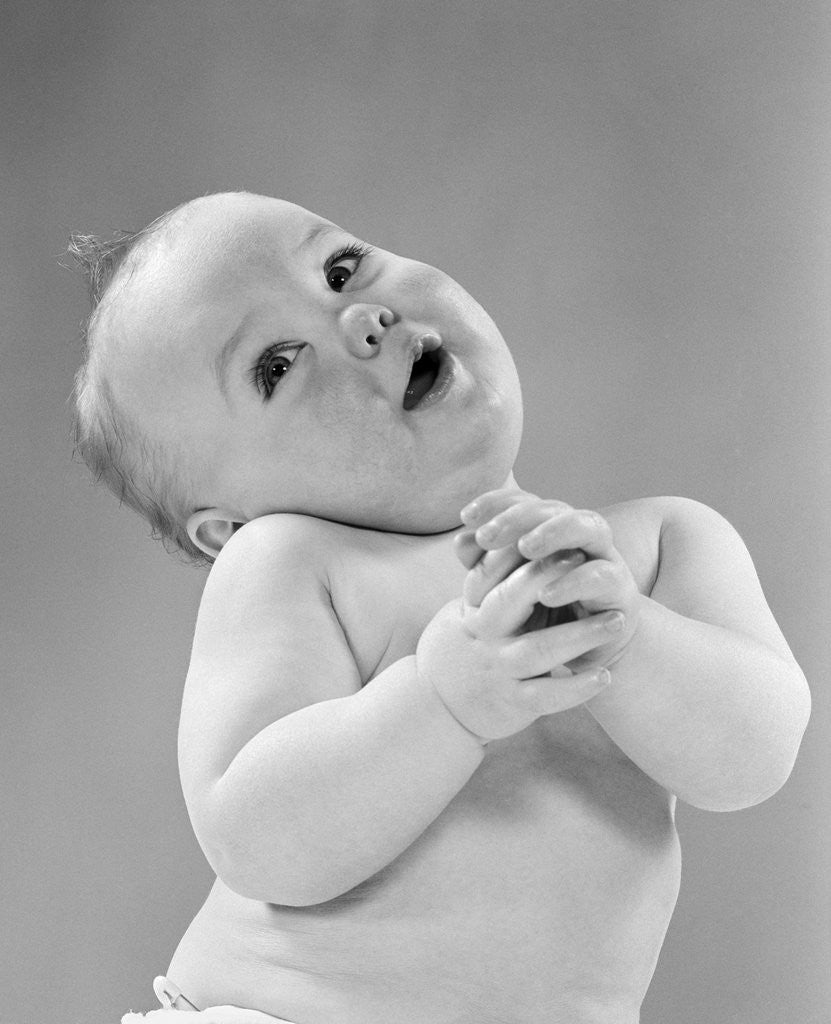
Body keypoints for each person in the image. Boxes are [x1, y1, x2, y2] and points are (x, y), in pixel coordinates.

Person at [69, 192, 810, 1024]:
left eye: (339, 268)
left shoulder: (656, 548)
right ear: (228, 524)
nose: (358, 320)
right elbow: (257, 841)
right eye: (277, 363)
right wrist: (441, 698)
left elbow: (753, 760)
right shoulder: (291, 565)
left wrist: (626, 635)